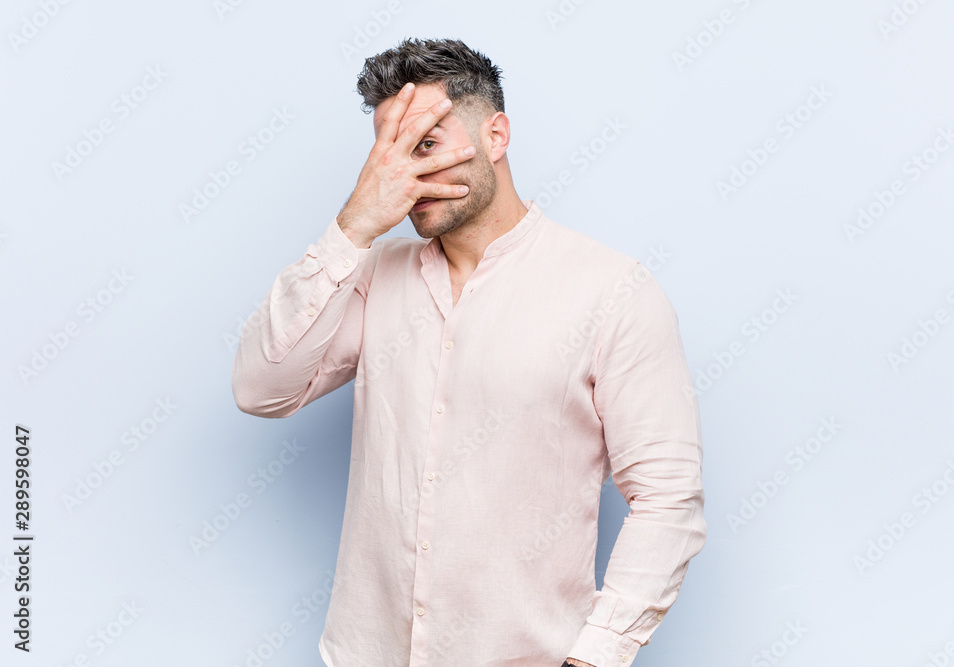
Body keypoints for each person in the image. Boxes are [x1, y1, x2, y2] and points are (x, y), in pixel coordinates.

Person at [231, 37, 706, 667]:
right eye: (388, 154)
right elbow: (262, 390)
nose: (403, 175)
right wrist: (354, 226)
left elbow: (668, 499)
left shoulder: (612, 291)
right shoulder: (368, 275)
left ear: (496, 136)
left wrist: (597, 655)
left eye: (425, 145)